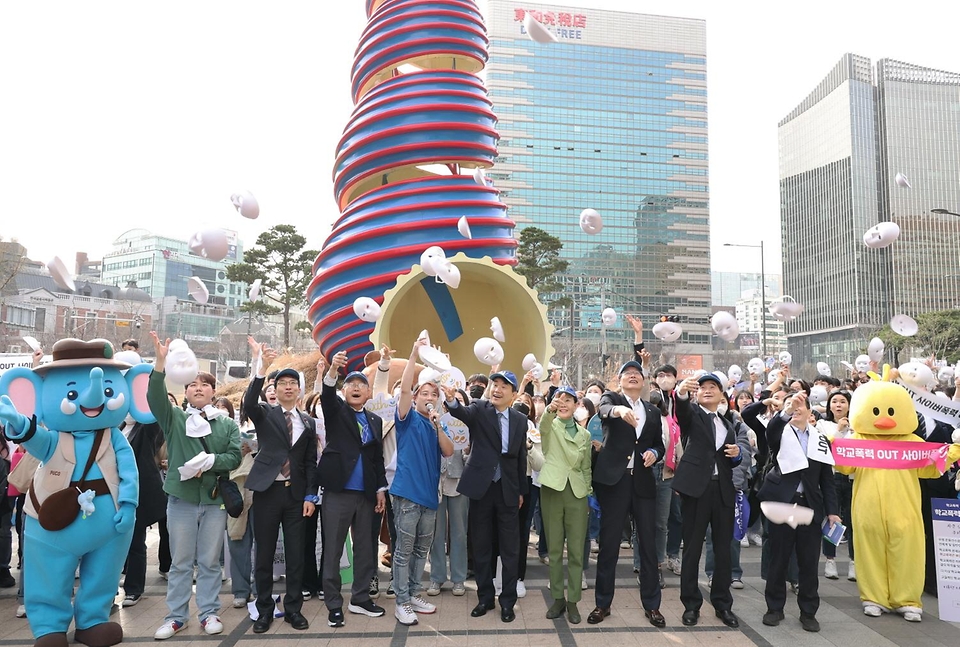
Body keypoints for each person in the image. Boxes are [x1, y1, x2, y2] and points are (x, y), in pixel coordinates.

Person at [147, 332, 241, 640]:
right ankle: (176, 617)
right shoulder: (175, 418)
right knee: (180, 562)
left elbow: (234, 456)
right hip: (181, 500)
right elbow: (154, 398)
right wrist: (160, 362)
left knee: (210, 562)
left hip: (214, 501)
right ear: (185, 391)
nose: (198, 389)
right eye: (192, 385)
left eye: (204, 385)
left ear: (214, 392)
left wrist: (209, 461)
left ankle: (209, 612)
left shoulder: (226, 423)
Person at [243, 341, 320, 633]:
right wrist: (262, 370)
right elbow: (249, 403)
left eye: (293, 384)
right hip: (267, 492)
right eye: (282, 384)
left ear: (299, 389)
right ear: (275, 389)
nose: (288, 388)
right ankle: (264, 610)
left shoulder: (308, 423)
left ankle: (293, 609)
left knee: (296, 555)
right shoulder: (264, 413)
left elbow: (310, 463)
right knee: (263, 555)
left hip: (296, 497)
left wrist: (311, 494)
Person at [443, 370, 528, 623]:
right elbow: (461, 412)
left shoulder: (520, 420)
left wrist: (521, 490)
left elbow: (520, 457)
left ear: (513, 394)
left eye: (505, 386)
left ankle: (507, 602)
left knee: (510, 548)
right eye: (495, 384)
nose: (498, 389)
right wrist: (452, 402)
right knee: (481, 544)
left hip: (508, 490)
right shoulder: (479, 408)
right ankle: (484, 598)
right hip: (481, 487)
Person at [588, 360, 666, 627]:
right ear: (619, 380)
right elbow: (603, 409)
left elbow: (659, 444)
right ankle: (602, 603)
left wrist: (654, 453)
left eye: (637, 374)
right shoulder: (611, 399)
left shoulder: (653, 413)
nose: (632, 377)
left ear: (643, 382)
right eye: (627, 374)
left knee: (648, 545)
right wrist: (619, 410)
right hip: (615, 482)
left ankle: (652, 605)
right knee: (609, 544)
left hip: (643, 483)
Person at [759, 391, 840, 632]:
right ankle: (774, 608)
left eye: (799, 405)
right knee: (779, 558)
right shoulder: (781, 433)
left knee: (808, 561)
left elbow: (827, 479)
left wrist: (832, 511)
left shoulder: (819, 438)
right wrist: (785, 411)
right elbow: (771, 431)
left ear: (810, 411)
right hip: (784, 502)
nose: (795, 409)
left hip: (810, 505)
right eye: (790, 406)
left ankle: (808, 611)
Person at [672, 373, 747, 629]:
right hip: (696, 489)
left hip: (723, 490)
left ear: (722, 394)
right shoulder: (693, 414)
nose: (706, 390)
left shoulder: (728, 423)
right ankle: (691, 605)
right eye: (702, 387)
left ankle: (723, 604)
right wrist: (681, 391)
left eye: (712, 387)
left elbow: (729, 457)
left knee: (723, 550)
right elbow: (681, 409)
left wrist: (736, 454)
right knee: (692, 548)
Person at [319, 350, 388, 628]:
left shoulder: (375, 420)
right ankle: (334, 604)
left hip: (367, 496)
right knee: (334, 550)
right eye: (351, 384)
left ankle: (360, 599)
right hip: (338, 493)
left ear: (369, 392)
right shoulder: (336, 411)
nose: (357, 387)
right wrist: (333, 371)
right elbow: (326, 395)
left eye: (362, 385)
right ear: (344, 391)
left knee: (365, 549)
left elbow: (377, 458)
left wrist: (381, 488)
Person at [390, 339, 455, 625]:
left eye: (433, 393)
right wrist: (414, 353)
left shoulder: (435, 422)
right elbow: (404, 388)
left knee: (421, 550)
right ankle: (401, 601)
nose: (428, 396)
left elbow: (449, 451)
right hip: (407, 495)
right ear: (415, 397)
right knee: (403, 551)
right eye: (423, 392)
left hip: (430, 497)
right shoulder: (406, 418)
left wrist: (438, 423)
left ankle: (414, 593)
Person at [539, 386, 592, 624]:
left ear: (576, 405)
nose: (563, 403)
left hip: (577, 493)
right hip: (552, 489)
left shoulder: (585, 435)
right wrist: (549, 410)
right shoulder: (551, 426)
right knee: (554, 550)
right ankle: (557, 598)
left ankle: (573, 601)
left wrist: (588, 493)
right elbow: (543, 426)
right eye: (559, 400)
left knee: (576, 551)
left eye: (568, 400)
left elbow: (586, 467)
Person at [427, 389, 470, 598]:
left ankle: (459, 578)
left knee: (459, 532)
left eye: (460, 401)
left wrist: (469, 450)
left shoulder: (468, 425)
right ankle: (436, 577)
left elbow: (472, 460)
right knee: (436, 532)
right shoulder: (434, 420)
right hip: (436, 482)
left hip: (459, 482)